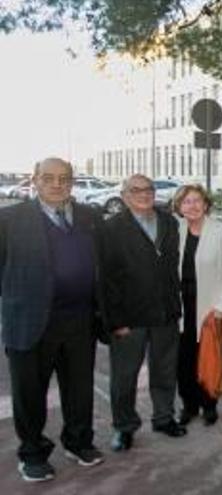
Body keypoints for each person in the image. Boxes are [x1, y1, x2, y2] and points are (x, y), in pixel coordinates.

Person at [1, 158, 104, 482]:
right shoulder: (9, 219)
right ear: (35, 180)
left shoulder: (90, 217)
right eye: (49, 178)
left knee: (79, 389)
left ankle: (78, 442)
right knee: (29, 392)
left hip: (79, 320)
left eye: (64, 178)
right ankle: (32, 454)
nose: (57, 184)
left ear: (72, 182)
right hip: (31, 322)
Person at [102, 174, 186, 452]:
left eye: (148, 189)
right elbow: (106, 279)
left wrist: (176, 307)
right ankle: (124, 427)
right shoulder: (111, 228)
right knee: (124, 376)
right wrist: (116, 321)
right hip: (130, 319)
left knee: (164, 371)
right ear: (124, 195)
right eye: (136, 190)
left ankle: (163, 417)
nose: (144, 194)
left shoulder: (168, 221)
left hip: (165, 313)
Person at [173, 185, 222, 427]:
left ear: (206, 204)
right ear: (179, 207)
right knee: (184, 361)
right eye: (186, 202)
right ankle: (189, 406)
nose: (192, 206)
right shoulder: (175, 229)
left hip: (210, 309)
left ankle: (209, 404)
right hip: (180, 309)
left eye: (197, 200)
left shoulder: (220, 231)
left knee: (210, 359)